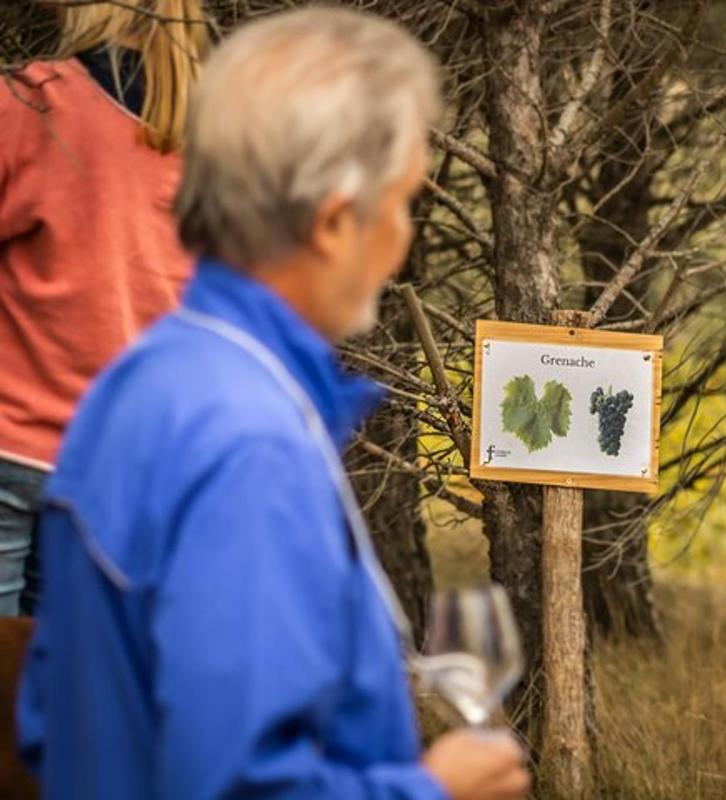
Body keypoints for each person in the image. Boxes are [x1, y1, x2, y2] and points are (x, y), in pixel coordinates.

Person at [17, 8, 530, 800]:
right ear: (332, 223)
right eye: (401, 204)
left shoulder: (140, 383)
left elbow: (49, 723)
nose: (401, 237)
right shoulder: (247, 443)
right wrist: (431, 791)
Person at [0, 0, 208, 616]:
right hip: (122, 470)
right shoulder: (216, 145)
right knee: (63, 699)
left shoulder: (37, 106)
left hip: (12, 443)